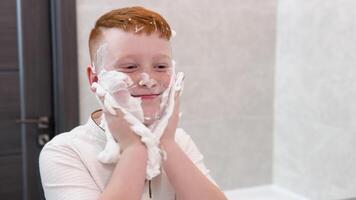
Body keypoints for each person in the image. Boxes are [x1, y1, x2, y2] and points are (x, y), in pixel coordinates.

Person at [39, 6, 227, 200]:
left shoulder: (179, 140)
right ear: (95, 78)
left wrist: (166, 143)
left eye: (161, 66)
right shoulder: (65, 151)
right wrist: (133, 149)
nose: (149, 80)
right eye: (129, 67)